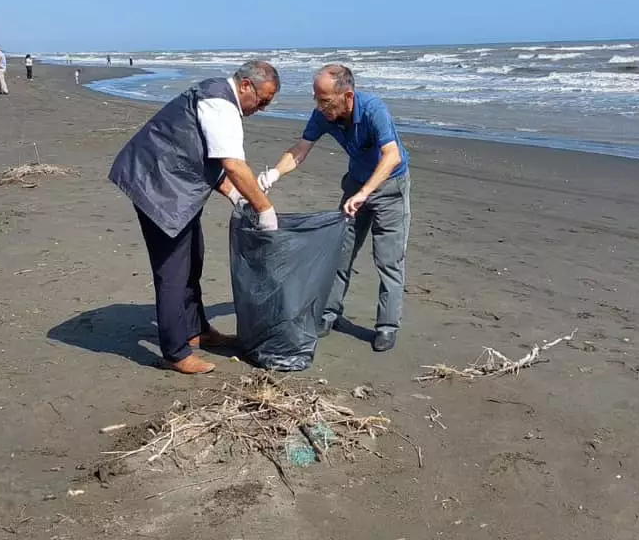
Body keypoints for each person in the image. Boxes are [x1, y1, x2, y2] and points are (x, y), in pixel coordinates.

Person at [107, 61, 281, 374]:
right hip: (155, 183)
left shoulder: (218, 97)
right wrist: (264, 209)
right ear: (245, 86)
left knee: (193, 259)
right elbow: (232, 165)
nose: (262, 108)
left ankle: (196, 330)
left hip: (171, 181)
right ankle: (175, 352)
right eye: (263, 100)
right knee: (173, 270)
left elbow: (204, 157)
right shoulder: (219, 104)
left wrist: (238, 197)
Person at [257, 64, 411, 352]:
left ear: (348, 96)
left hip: (390, 187)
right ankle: (329, 314)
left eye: (325, 100)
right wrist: (274, 174)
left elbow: (391, 156)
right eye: (316, 98)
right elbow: (301, 149)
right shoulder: (324, 115)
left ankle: (387, 327)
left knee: (388, 260)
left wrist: (366, 193)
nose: (320, 106)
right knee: (340, 253)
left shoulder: (373, 110)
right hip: (356, 184)